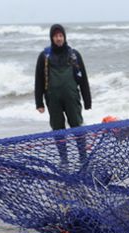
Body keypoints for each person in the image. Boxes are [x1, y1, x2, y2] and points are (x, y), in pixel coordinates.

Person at [35, 24, 92, 165]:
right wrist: (39, 103)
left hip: (72, 97)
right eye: (56, 36)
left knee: (77, 127)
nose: (59, 38)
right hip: (52, 99)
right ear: (51, 38)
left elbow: (83, 78)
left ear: (64, 37)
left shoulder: (74, 54)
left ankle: (83, 158)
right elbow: (38, 80)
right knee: (58, 130)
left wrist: (87, 100)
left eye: (61, 36)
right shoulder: (44, 56)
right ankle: (64, 159)